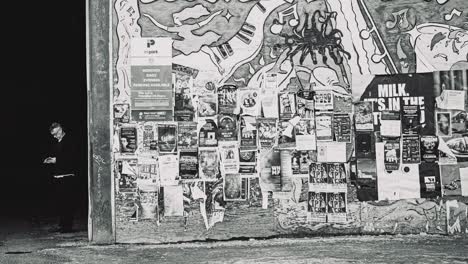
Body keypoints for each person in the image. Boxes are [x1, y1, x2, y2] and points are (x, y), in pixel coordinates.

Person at [43, 122, 77, 233]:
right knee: (61, 202)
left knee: (67, 202)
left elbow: (71, 158)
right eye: (53, 135)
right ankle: (63, 224)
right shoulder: (58, 142)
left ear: (61, 130)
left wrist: (55, 160)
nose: (55, 136)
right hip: (59, 175)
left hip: (67, 176)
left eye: (56, 133)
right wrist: (52, 159)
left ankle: (67, 226)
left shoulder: (70, 141)